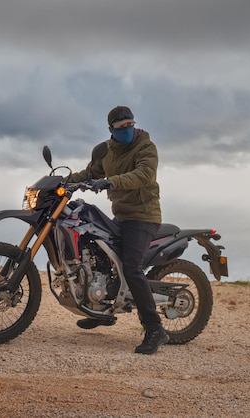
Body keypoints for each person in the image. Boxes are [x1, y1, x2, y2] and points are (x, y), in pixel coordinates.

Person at [68, 105, 169, 355]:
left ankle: (155, 329)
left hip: (144, 217)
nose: (127, 130)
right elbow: (91, 173)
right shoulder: (107, 151)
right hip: (121, 216)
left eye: (130, 125)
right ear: (111, 128)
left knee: (131, 266)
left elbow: (143, 174)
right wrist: (64, 181)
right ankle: (99, 309)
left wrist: (112, 181)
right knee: (95, 250)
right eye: (121, 127)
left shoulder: (146, 147)